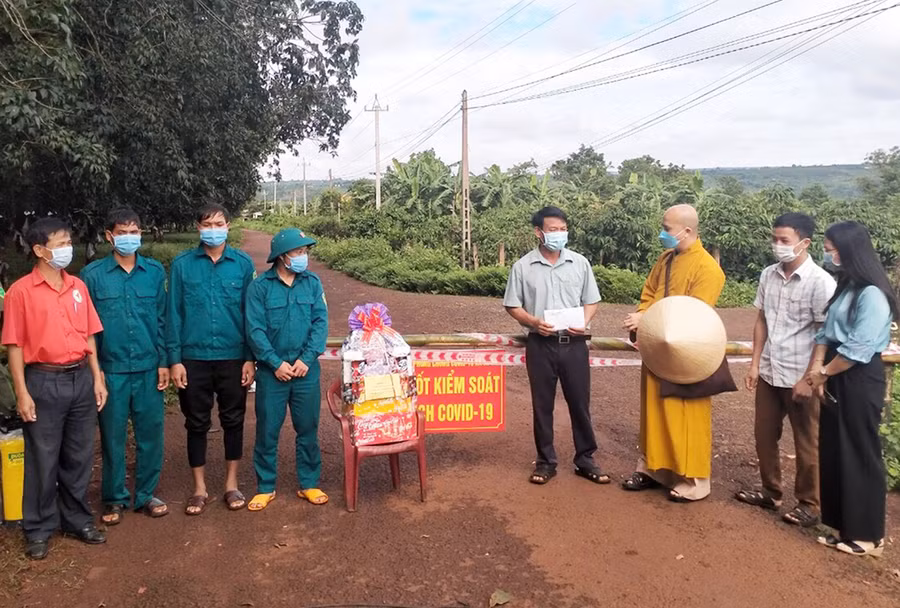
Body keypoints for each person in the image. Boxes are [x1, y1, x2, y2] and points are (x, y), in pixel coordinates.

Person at [1, 217, 108, 560]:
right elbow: (14, 345)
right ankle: (39, 527)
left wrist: (98, 377)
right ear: (39, 250)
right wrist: (22, 392)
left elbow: (89, 333)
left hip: (80, 378)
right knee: (42, 458)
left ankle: (76, 519)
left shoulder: (77, 286)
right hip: (43, 380)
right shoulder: (20, 292)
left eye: (68, 242)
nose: (67, 249)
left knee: (78, 456)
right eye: (60, 244)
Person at [797, 221, 896, 557]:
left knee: (859, 451)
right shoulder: (847, 286)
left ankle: (869, 536)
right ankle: (843, 527)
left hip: (858, 376)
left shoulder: (872, 294)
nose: (828, 253)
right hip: (836, 371)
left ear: (849, 250)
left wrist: (822, 373)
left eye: (831, 247)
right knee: (835, 448)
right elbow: (826, 334)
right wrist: (818, 369)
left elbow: (858, 347)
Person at [735, 213, 835, 527]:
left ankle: (809, 503)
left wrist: (811, 376)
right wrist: (754, 364)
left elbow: (824, 333)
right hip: (769, 370)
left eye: (784, 241)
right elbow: (762, 320)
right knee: (764, 434)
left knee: (807, 441)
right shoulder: (768, 275)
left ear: (804, 243)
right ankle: (770, 491)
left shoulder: (821, 282)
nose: (777, 246)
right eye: (774, 239)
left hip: (800, 374)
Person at [621, 204, 725, 502]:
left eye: (667, 229)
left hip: (687, 352)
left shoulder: (708, 269)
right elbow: (649, 294)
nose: (662, 234)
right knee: (654, 411)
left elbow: (693, 314)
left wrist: (647, 317)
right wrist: (640, 317)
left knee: (686, 413)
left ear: (687, 231)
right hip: (657, 346)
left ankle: (694, 480)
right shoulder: (666, 259)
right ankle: (655, 469)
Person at [503, 206, 607, 486]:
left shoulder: (580, 263)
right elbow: (512, 304)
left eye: (563, 229)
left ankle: (586, 459)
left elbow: (592, 300)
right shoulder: (523, 267)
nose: (559, 234)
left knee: (579, 403)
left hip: (574, 344)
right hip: (541, 344)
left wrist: (584, 322)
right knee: (542, 405)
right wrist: (533, 323)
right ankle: (546, 462)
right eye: (553, 230)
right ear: (539, 232)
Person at [81, 208, 170, 525]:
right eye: (122, 232)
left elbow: (162, 320)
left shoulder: (154, 272)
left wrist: (164, 361)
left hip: (148, 368)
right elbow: (87, 328)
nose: (129, 238)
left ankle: (146, 495)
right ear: (109, 236)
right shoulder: (92, 276)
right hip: (111, 370)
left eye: (135, 232)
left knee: (151, 435)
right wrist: (96, 373)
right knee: (112, 437)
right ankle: (114, 499)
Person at [166, 203, 256, 515]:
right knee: (196, 422)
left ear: (229, 226)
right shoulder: (182, 265)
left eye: (219, 223)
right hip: (193, 358)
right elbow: (174, 314)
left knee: (234, 420)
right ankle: (199, 488)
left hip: (233, 357)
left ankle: (231, 484)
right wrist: (174, 359)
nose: (213, 229)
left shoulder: (243, 265)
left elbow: (250, 315)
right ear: (198, 227)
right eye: (207, 224)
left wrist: (249, 358)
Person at [245, 229, 329, 511]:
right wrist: (274, 363)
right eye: (299, 252)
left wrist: (306, 359)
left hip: (306, 372)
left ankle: (309, 483)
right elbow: (254, 330)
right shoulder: (260, 287)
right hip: (273, 373)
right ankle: (265, 486)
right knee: (267, 430)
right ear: (282, 257)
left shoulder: (313, 283)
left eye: (306, 252)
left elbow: (320, 324)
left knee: (308, 429)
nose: (304, 257)